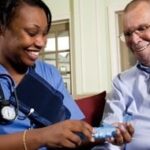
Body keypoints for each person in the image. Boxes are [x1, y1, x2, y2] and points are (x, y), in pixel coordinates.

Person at [0, 0, 133, 149]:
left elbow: (78, 135)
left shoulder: (49, 73)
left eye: (44, 34)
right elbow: (49, 135)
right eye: (32, 33)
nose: (41, 42)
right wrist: (42, 137)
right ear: (3, 28)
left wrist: (108, 134)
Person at [95, 0, 150, 149]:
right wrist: (109, 135)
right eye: (127, 34)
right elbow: (108, 132)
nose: (134, 40)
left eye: (142, 28)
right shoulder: (122, 82)